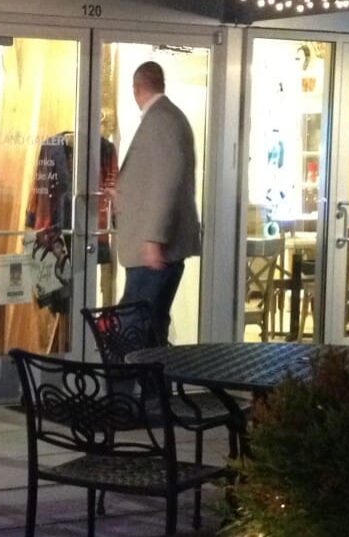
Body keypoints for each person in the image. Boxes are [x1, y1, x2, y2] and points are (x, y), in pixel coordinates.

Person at [109, 61, 201, 343]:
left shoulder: (161, 120)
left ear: (136, 89)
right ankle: (152, 387)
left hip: (154, 252)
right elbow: (157, 179)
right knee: (149, 327)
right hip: (154, 249)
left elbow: (166, 182)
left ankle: (123, 386)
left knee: (132, 327)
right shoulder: (167, 118)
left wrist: (153, 238)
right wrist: (123, 192)